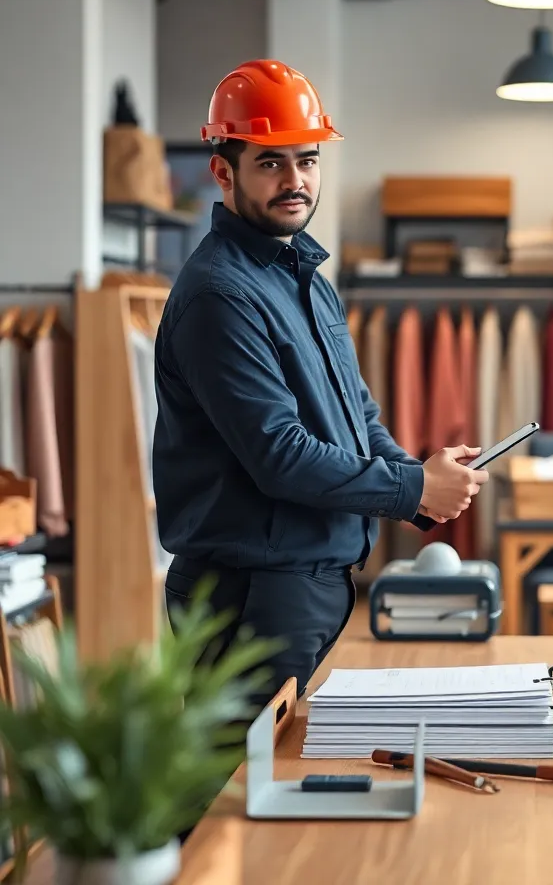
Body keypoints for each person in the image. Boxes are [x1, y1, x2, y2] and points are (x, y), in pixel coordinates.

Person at [154, 59, 488, 709]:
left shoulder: (303, 276)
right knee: (232, 791)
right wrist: (413, 486)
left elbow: (354, 412)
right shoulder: (221, 297)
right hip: (250, 595)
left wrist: (415, 481)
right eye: (271, 163)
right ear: (223, 171)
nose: (295, 181)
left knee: (282, 779)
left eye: (307, 161)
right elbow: (279, 455)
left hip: (308, 585)